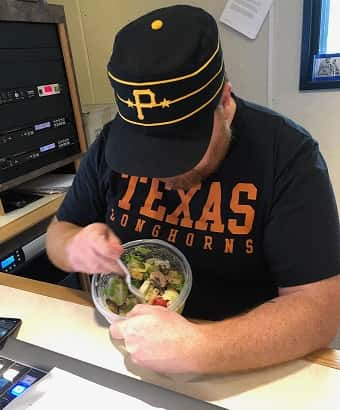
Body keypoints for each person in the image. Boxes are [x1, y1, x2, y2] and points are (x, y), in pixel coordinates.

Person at [46, 5, 340, 375]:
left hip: (235, 365)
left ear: (226, 103)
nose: (160, 174)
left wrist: (205, 349)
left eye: (179, 150)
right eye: (144, 150)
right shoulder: (108, 145)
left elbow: (320, 309)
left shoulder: (288, 157)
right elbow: (60, 232)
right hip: (111, 353)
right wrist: (75, 247)